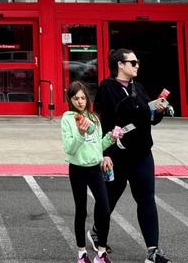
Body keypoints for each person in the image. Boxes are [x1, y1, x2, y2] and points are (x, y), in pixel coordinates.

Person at [93, 49, 172, 263]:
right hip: (117, 155)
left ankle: (153, 250)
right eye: (133, 62)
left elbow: (149, 119)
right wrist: (105, 153)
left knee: (146, 199)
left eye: (137, 62)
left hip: (142, 153)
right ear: (120, 64)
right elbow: (101, 122)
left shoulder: (139, 87)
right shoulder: (106, 88)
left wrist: (159, 111)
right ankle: (97, 235)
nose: (137, 66)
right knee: (108, 199)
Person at [62, 80, 120, 263]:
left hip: (95, 169)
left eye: (83, 98)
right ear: (70, 100)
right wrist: (80, 134)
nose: (80, 102)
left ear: (87, 98)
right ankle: (81, 253)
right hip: (78, 169)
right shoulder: (67, 118)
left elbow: (99, 146)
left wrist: (111, 138)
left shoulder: (94, 117)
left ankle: (101, 252)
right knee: (81, 211)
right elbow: (69, 149)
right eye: (76, 98)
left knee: (104, 208)